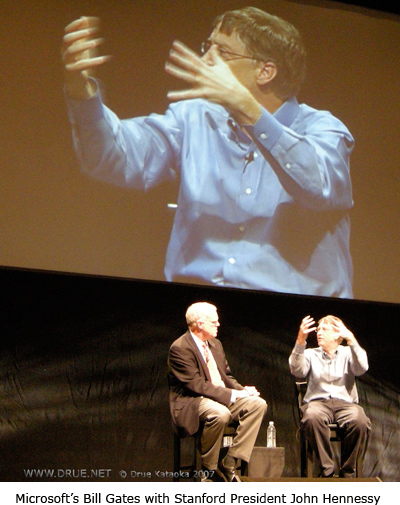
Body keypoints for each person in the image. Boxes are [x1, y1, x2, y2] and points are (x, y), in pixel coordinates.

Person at [62, 7, 354, 297]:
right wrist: (81, 90)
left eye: (222, 53)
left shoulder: (324, 129)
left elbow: (318, 187)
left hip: (292, 320)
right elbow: (112, 157)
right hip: (195, 310)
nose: (204, 61)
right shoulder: (193, 118)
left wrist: (248, 110)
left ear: (265, 71)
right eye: (207, 47)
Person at [167, 302, 267, 482]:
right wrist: (233, 395)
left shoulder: (215, 344)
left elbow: (226, 377)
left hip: (220, 397)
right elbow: (196, 385)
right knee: (220, 413)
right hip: (192, 401)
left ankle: (230, 461)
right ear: (200, 324)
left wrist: (242, 390)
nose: (218, 325)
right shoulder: (180, 348)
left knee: (257, 404)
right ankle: (209, 470)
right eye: (214, 322)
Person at [289, 315, 371, 478]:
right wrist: (300, 341)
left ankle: (347, 471)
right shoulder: (311, 354)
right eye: (318, 329)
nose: (318, 332)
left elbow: (362, 368)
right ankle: (326, 470)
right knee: (312, 417)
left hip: (345, 404)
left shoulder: (349, 353)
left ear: (337, 334)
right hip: (318, 403)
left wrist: (351, 339)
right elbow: (297, 371)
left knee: (360, 421)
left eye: (324, 329)